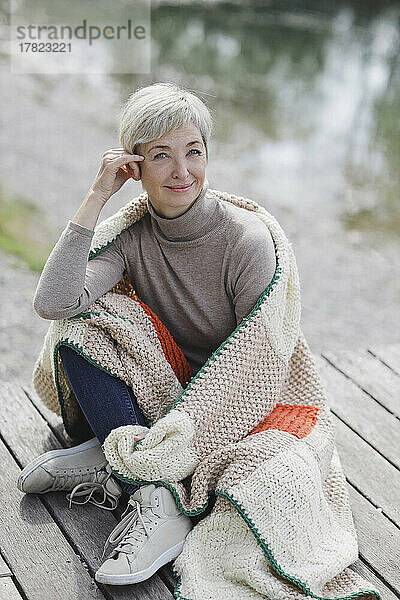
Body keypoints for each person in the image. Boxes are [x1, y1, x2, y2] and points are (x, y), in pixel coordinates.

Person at [17, 82, 277, 585]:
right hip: (165, 390)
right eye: (161, 156)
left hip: (234, 403)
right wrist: (97, 197)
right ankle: (136, 470)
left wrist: (182, 433)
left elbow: (257, 365)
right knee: (82, 322)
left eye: (193, 152)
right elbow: (54, 302)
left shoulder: (246, 242)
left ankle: (149, 491)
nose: (182, 172)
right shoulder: (130, 236)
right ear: (133, 167)